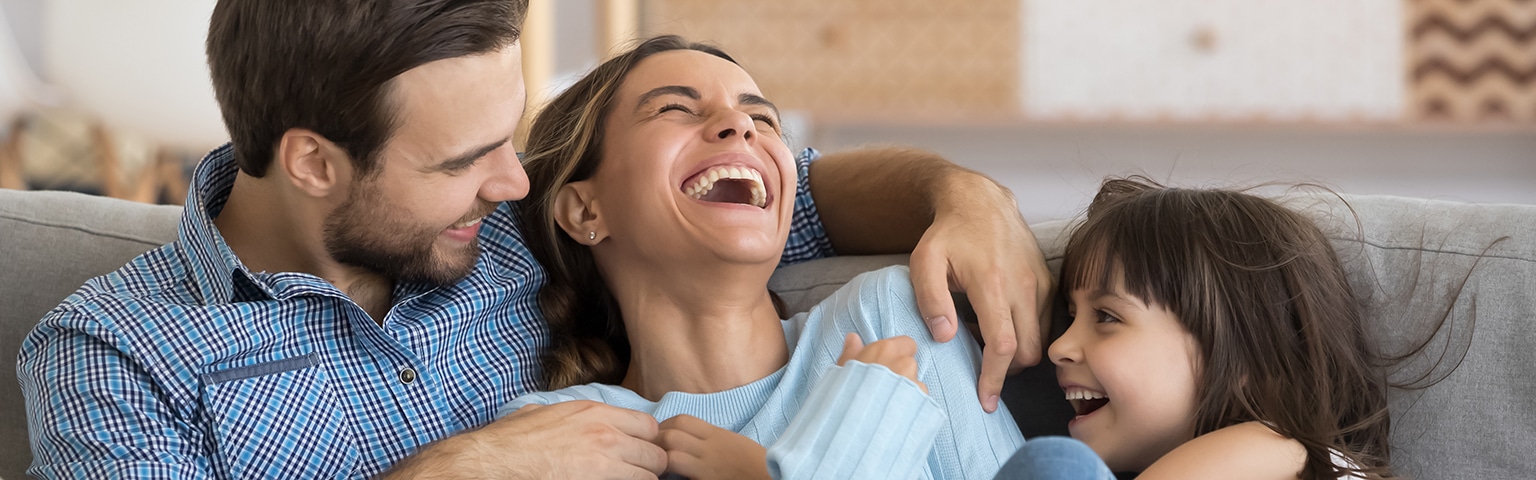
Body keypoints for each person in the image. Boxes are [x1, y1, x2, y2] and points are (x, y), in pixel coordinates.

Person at [16, 1, 1053, 478]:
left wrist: (959, 193)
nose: (515, 183)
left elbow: (793, 196)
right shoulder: (117, 355)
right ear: (313, 163)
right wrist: (458, 474)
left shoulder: (528, 226)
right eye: (464, 160)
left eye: (512, 140)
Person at [502, 35, 1029, 479]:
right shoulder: (559, 434)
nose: (742, 126)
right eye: (676, 109)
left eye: (762, 118)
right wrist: (856, 436)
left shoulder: (889, 317)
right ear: (585, 211)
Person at [1044, 177, 1396, 479]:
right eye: (1071, 315)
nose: (1058, 347)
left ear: (1249, 355)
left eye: (1107, 316)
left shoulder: (1278, 450)